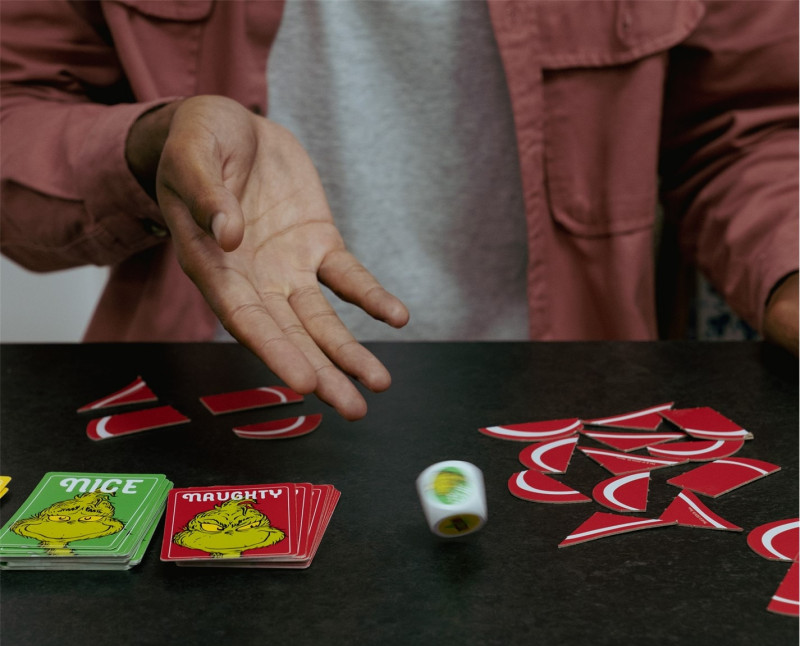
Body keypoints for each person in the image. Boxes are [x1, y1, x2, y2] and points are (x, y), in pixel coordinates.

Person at [1, 0, 797, 422]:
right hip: (198, 422)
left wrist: (791, 270)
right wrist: (154, 142)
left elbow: (747, 128)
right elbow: (16, 109)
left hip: (565, 423)